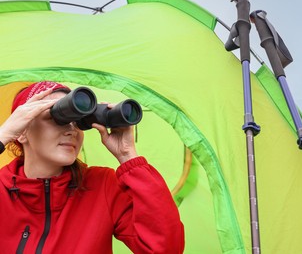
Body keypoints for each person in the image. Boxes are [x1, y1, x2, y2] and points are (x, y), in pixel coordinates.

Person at [0, 81, 185, 253]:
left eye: (79, 121)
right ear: (22, 131)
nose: (72, 129)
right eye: (57, 117)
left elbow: (166, 248)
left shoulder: (102, 186)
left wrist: (127, 155)